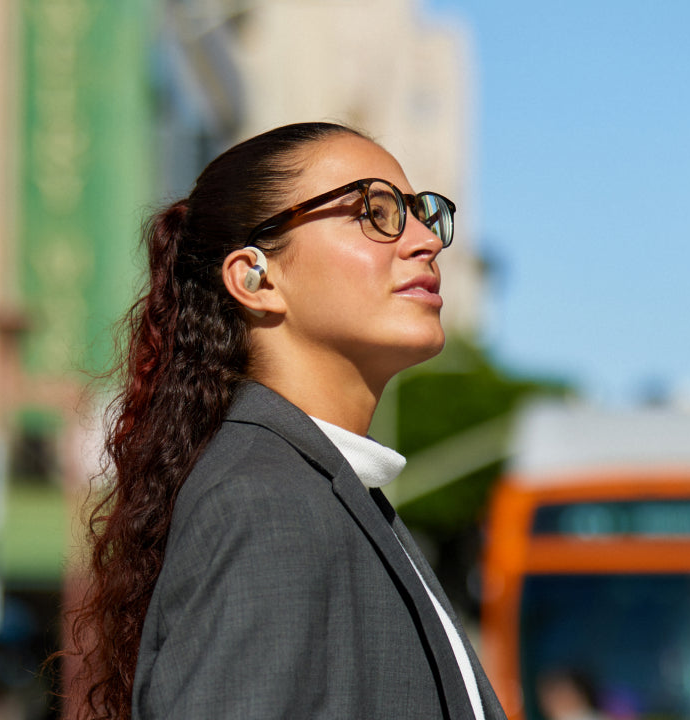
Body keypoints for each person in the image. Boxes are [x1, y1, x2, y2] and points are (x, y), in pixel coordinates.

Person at [63, 121, 502, 720]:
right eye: (374, 212)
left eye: (423, 214)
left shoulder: (320, 490)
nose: (425, 240)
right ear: (255, 277)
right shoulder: (263, 502)